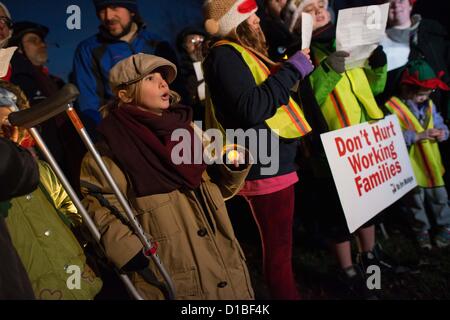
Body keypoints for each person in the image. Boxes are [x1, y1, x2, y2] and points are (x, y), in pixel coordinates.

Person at [80, 53, 254, 300]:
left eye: (163, 77)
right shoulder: (110, 148)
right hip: (173, 268)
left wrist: (231, 167)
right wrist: (128, 249)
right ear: (125, 94)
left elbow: (216, 189)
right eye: (150, 78)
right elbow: (96, 202)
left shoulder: (187, 130)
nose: (163, 83)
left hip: (223, 259)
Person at [285, 0, 405, 298]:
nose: (318, 11)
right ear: (298, 24)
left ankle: (371, 263)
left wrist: (377, 65)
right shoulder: (297, 54)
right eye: (309, 10)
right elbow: (307, 100)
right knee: (338, 217)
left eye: (320, 5)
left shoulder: (349, 40)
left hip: (367, 142)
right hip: (335, 149)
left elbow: (372, 90)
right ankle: (348, 271)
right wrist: (330, 68)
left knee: (370, 209)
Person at [203, 0, 315, 300]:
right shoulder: (225, 54)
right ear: (232, 23)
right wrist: (291, 71)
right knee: (278, 253)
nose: (257, 20)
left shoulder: (237, 53)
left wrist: (290, 69)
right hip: (265, 168)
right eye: (249, 15)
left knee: (280, 250)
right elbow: (251, 108)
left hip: (273, 163)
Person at [0, 80, 103, 300]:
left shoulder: (42, 169)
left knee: (80, 293)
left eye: (10, 126)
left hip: (70, 265)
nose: (7, 134)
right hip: (32, 279)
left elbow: (67, 205)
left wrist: (84, 233)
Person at [72, 0, 178, 135]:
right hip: (122, 130)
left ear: (132, 10)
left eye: (115, 7)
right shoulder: (88, 49)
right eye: (101, 10)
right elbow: (88, 103)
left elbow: (177, 87)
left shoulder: (157, 43)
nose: (108, 16)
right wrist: (103, 136)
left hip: (166, 124)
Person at [385, 59, 450, 249]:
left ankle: (445, 226)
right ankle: (421, 229)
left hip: (432, 165)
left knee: (439, 196)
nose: (424, 98)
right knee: (415, 201)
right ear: (407, 89)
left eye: (428, 93)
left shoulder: (429, 105)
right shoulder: (393, 107)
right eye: (421, 94)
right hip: (411, 165)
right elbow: (391, 135)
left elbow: (439, 123)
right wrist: (417, 136)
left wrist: (443, 133)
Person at [175, 27, 207, 121]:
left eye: (201, 40)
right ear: (184, 47)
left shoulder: (216, 62)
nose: (198, 45)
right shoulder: (181, 74)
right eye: (192, 41)